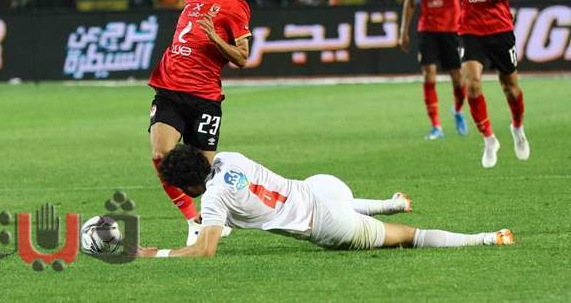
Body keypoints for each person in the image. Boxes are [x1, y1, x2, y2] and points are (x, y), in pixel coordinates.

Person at [135, 145, 514, 258]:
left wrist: (152, 253)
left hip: (328, 225)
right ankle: (390, 202)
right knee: (338, 199)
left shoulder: (214, 200)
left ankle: (485, 238)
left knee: (407, 237)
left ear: (189, 185)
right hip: (320, 187)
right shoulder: (228, 158)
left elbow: (204, 251)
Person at [147, 0, 252, 245]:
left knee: (200, 180)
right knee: (160, 155)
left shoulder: (235, 7)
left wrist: (216, 39)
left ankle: (223, 215)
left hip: (205, 98)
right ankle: (193, 220)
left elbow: (242, 57)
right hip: (169, 89)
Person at [440, 0, 536, 168]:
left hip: (500, 29)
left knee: (510, 88)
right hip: (469, 31)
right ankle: (489, 139)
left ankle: (517, 128)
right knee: (471, 85)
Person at [399, 0, 468, 140]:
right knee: (428, 74)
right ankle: (436, 126)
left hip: (452, 28)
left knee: (458, 78)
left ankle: (457, 110)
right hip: (427, 28)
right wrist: (403, 31)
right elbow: (410, 2)